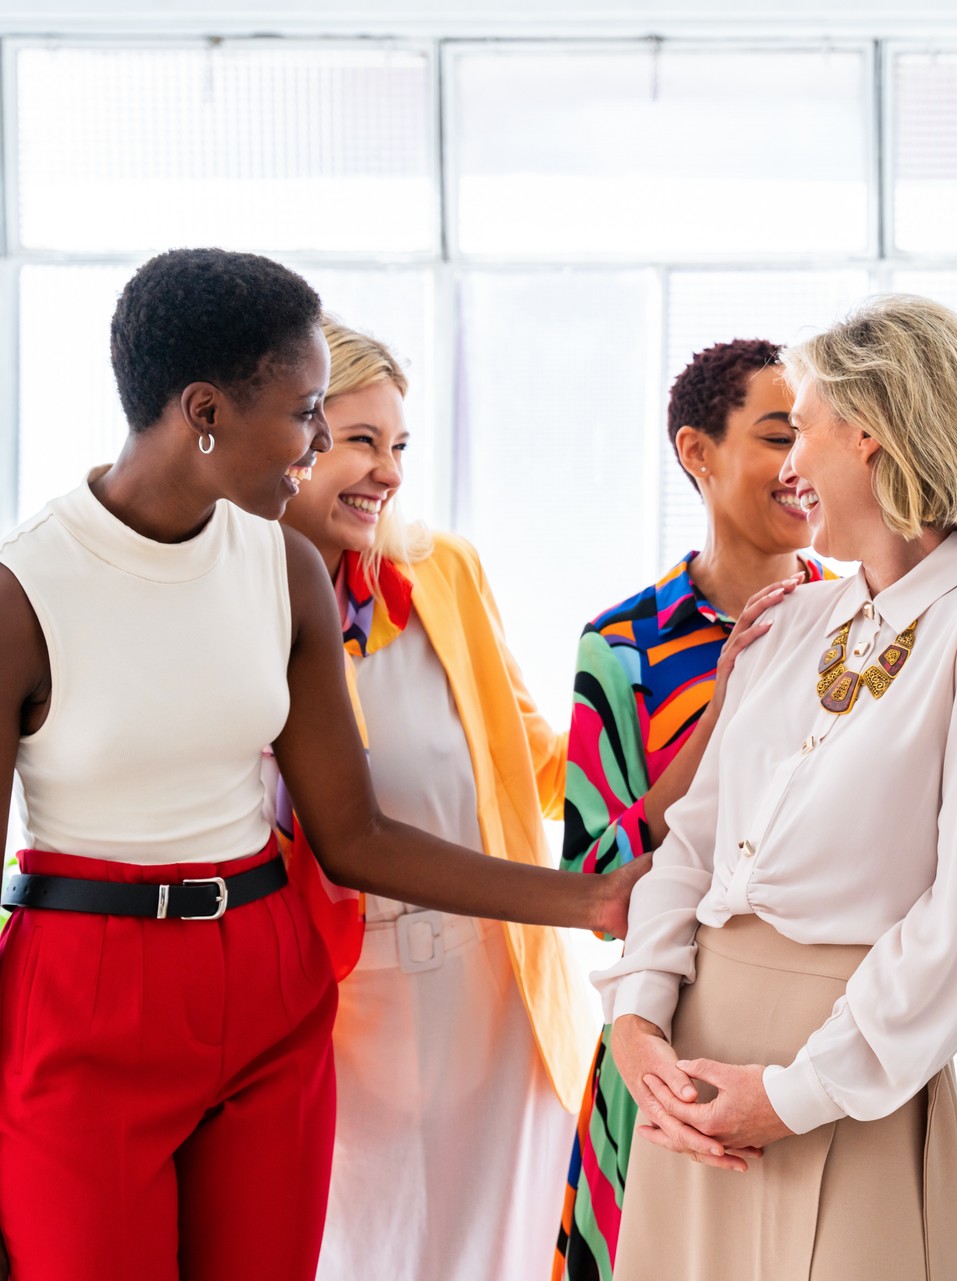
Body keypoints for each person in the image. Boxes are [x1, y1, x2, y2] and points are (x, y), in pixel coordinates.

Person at [0, 250, 643, 1281]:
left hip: (268, 995)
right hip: (82, 1002)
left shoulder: (285, 570)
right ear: (205, 411)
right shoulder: (12, 597)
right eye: (306, 414)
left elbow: (357, 838)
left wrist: (590, 900)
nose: (312, 449)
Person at [596, 294, 957, 1280]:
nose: (789, 465)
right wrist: (638, 1020)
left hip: (843, 1072)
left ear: (873, 433)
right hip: (691, 1066)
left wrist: (794, 1096)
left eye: (801, 428)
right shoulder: (789, 624)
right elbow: (690, 847)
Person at [272, 318, 589, 1279]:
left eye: (399, 445)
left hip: (494, 994)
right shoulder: (235, 598)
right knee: (357, 1250)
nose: (390, 471)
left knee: (502, 1250)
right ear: (292, 443)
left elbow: (536, 758)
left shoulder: (443, 573)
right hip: (336, 1010)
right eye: (361, 441)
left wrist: (675, 737)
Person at [553, 338, 831, 1281]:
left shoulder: (866, 628)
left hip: (816, 1040)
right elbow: (594, 884)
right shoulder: (624, 646)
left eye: (816, 434)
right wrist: (728, 705)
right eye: (775, 435)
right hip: (658, 1029)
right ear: (697, 451)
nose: (802, 463)